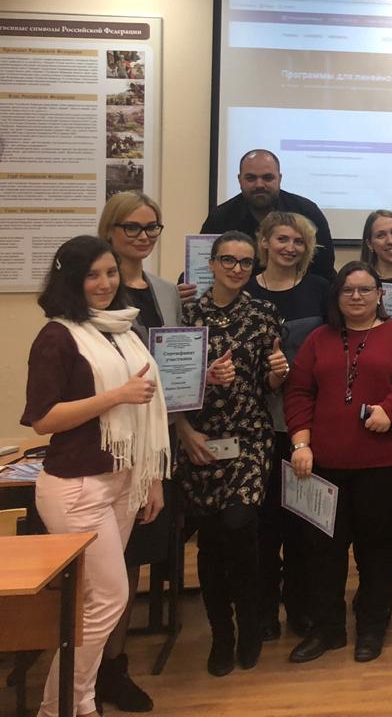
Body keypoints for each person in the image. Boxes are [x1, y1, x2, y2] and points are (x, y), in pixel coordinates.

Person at [22, 236, 168, 717]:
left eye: (110, 273)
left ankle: (76, 701)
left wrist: (151, 478)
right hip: (77, 486)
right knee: (108, 598)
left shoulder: (121, 329)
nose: (104, 284)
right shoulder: (57, 336)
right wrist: (116, 396)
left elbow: (145, 412)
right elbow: (44, 419)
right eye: (92, 275)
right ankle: (60, 706)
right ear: (71, 280)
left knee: (96, 601)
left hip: (123, 480)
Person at [285, 262, 392, 663]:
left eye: (365, 289)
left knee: (378, 550)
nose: (356, 297)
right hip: (324, 465)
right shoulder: (318, 339)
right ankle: (328, 629)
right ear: (336, 296)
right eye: (348, 290)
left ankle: (372, 626)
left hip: (388, 465)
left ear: (380, 294)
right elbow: (299, 392)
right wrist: (300, 442)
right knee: (324, 551)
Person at [176, 231, 286, 676]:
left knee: (240, 526)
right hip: (199, 439)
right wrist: (202, 382)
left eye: (245, 262)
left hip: (249, 438)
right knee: (211, 542)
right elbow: (171, 384)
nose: (237, 269)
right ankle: (221, 634)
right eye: (228, 260)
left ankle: (250, 626)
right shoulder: (186, 315)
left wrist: (278, 373)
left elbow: (268, 386)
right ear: (212, 263)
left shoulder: (263, 313)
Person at [95, 192, 178, 712]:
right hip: (111, 441)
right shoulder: (97, 290)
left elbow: (178, 364)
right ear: (110, 229)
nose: (144, 236)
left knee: (133, 560)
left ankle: (113, 665)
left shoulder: (166, 291)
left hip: (158, 443)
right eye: (133, 227)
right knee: (105, 565)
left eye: (152, 228)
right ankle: (91, 666)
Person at [245, 211, 329, 642]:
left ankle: (300, 606)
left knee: (303, 521)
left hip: (306, 424)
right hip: (254, 424)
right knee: (263, 523)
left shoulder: (320, 290)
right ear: (264, 242)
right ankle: (263, 609)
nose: (290, 248)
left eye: (299, 241)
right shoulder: (244, 288)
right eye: (282, 239)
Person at [201, 149, 335, 279]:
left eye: (268, 178)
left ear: (279, 179)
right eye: (251, 178)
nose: (259, 185)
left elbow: (324, 268)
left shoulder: (307, 212)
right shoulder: (221, 217)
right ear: (240, 180)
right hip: (238, 292)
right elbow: (203, 266)